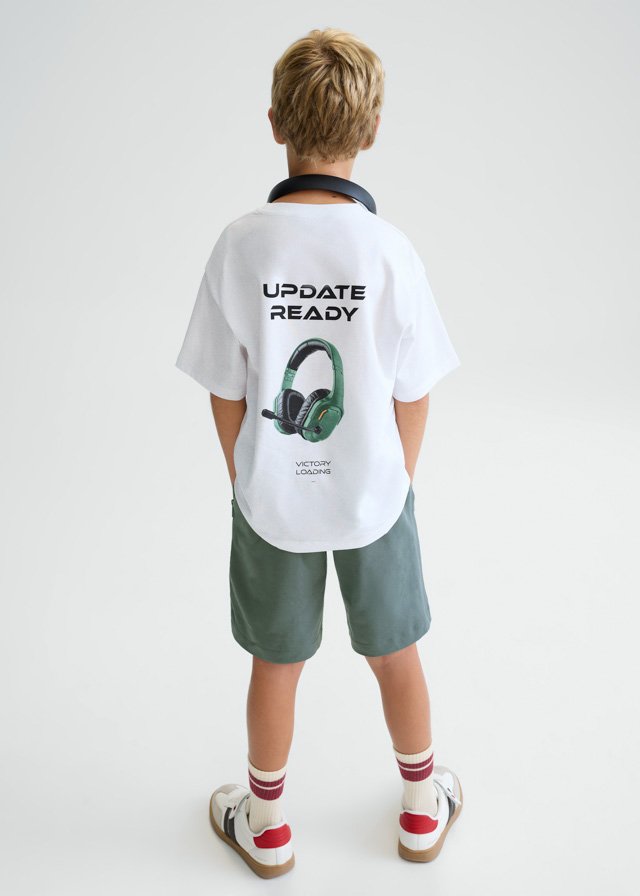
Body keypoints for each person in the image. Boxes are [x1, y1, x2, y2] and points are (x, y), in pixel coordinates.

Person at [175, 27, 462, 879]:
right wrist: (393, 479)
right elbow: (415, 390)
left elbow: (225, 386)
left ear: (274, 123)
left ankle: (265, 824)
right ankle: (422, 807)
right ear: (371, 131)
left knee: (276, 661)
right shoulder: (390, 250)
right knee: (395, 654)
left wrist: (249, 475)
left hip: (272, 499)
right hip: (375, 496)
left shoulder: (241, 243)